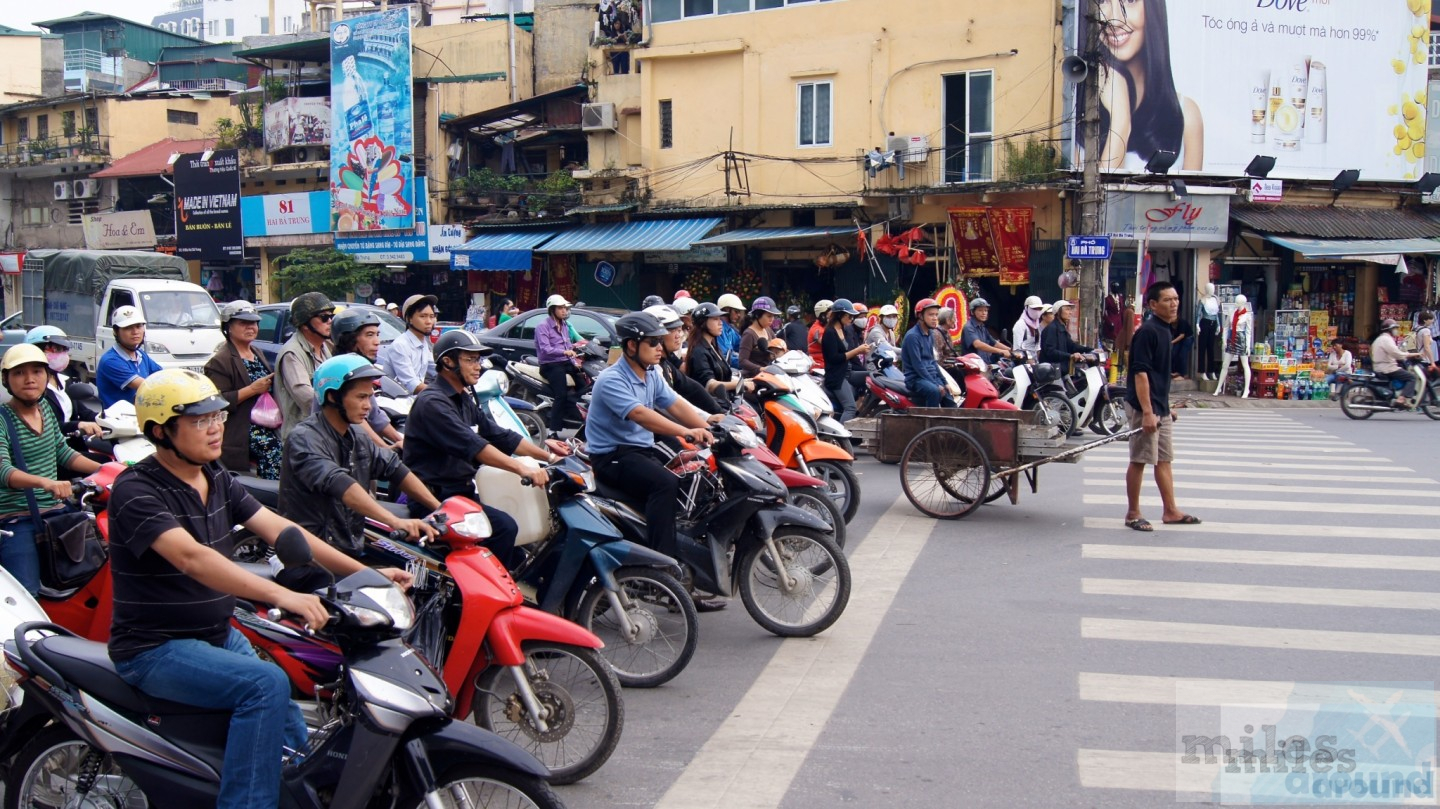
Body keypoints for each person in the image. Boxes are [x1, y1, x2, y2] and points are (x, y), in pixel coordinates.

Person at [108, 369, 410, 809]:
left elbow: (280, 528)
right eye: (199, 421)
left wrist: (367, 574)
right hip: (154, 648)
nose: (215, 428)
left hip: (215, 635)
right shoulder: (136, 490)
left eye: (217, 416)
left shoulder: (215, 476)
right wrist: (283, 596)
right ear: (160, 431)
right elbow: (194, 558)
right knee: (264, 685)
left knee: (288, 714)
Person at [587, 312, 725, 606]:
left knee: (696, 475)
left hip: (640, 452)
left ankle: (684, 576)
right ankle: (661, 574)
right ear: (631, 346)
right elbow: (641, 415)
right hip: (612, 457)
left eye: (660, 341)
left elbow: (675, 403)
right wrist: (687, 431)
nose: (660, 347)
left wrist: (711, 426)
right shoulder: (612, 379)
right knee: (664, 484)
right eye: (652, 342)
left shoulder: (651, 374)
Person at [403, 330, 568, 569]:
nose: (478, 366)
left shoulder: (462, 399)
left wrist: (550, 456)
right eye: (470, 359)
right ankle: (476, 597)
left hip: (462, 493)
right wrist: (522, 469)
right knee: (504, 528)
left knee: (519, 552)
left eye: (478, 360)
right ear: (448, 362)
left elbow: (499, 435)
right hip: (434, 499)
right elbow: (476, 446)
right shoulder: (433, 403)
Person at [280, 356, 439, 555]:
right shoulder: (305, 439)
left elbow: (393, 467)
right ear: (332, 396)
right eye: (361, 397)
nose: (368, 406)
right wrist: (395, 522)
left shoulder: (356, 435)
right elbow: (339, 483)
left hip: (348, 546)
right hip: (313, 554)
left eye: (370, 397)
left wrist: (439, 507)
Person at [0, 345, 103, 594]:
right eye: (19, 373)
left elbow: (63, 452)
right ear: (6, 380)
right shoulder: (3, 418)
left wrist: (108, 469)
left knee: (94, 572)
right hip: (16, 518)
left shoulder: (44, 408)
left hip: (55, 510)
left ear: (47, 376)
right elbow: (4, 471)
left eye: (37, 371)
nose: (30, 379)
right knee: (25, 593)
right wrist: (45, 483)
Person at [1090, 0, 1204, 171]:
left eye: (1129, 1)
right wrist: (1121, 121)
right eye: (1102, 1)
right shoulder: (1080, 111)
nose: (1114, 20)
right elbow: (1099, 195)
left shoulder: (1186, 114)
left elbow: (1194, 197)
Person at [1123, 281, 1199, 532]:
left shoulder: (1166, 330)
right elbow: (1141, 373)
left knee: (1164, 459)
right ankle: (1133, 513)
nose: (1174, 304)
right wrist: (1147, 412)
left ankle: (1170, 510)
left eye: (1176, 299)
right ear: (1154, 305)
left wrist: (1165, 406)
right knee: (1140, 459)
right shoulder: (1148, 331)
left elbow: (1159, 376)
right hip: (1143, 406)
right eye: (1167, 300)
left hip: (1159, 406)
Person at [204, 301, 281, 479]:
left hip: (269, 421)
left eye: (253, 323)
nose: (250, 327)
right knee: (272, 449)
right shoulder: (220, 361)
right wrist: (252, 389)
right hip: (242, 427)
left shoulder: (256, 352)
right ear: (228, 327)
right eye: (243, 323)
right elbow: (217, 400)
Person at [331, 308, 406, 450]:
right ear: (350, 340)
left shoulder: (360, 368)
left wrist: (402, 442)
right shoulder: (341, 372)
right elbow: (355, 420)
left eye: (377, 335)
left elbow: (376, 416)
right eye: (369, 335)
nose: (377, 342)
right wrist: (386, 449)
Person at [275, 292, 334, 440]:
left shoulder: (325, 346)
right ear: (305, 324)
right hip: (303, 439)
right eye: (324, 317)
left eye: (331, 316)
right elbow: (308, 399)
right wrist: (341, 407)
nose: (330, 321)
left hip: (325, 432)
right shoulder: (292, 353)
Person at [25, 326, 101, 440]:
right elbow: (45, 426)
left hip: (72, 446)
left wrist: (106, 418)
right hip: (53, 449)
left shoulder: (63, 380)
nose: (63, 354)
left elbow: (83, 412)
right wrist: (78, 425)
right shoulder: (32, 388)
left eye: (64, 349)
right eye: (56, 349)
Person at [648, 304, 723, 414]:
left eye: (679, 330)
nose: (679, 335)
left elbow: (691, 388)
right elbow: (670, 404)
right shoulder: (650, 370)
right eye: (672, 330)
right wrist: (706, 419)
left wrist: (717, 411)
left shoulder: (665, 364)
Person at [96, 305, 164, 409]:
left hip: (140, 417)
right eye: (128, 328)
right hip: (119, 421)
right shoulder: (111, 361)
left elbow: (162, 375)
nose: (135, 332)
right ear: (116, 331)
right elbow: (146, 385)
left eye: (138, 326)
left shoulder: (141, 355)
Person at [535, 294, 582, 440]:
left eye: (565, 308)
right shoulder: (542, 327)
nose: (564, 311)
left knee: (584, 385)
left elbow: (568, 344)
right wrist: (564, 351)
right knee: (560, 395)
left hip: (566, 362)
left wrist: (578, 346)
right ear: (552, 309)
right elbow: (545, 349)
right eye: (561, 308)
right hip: (550, 365)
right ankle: (553, 430)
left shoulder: (565, 325)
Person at [685, 302, 745, 406]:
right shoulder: (698, 352)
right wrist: (741, 384)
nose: (720, 322)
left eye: (720, 318)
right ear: (702, 322)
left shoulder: (713, 346)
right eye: (715, 319)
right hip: (709, 407)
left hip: (724, 401)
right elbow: (709, 385)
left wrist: (750, 380)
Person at [378, 294, 437, 396]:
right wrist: (442, 393)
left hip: (416, 399)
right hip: (398, 403)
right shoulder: (400, 345)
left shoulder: (423, 343)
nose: (429, 321)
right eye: (423, 316)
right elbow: (411, 384)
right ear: (409, 318)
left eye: (431, 317)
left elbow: (436, 368)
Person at [821, 299, 870, 422]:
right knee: (850, 408)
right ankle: (842, 439)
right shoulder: (829, 333)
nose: (851, 319)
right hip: (837, 376)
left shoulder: (844, 329)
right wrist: (857, 351)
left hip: (847, 372)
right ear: (839, 315)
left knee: (873, 377)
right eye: (849, 316)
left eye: (852, 316)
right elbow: (834, 358)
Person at [902, 299, 949, 408]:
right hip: (916, 379)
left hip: (929, 376)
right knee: (934, 392)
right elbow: (918, 366)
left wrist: (944, 381)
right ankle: (929, 423)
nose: (934, 318)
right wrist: (936, 384)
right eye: (931, 315)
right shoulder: (913, 336)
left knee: (949, 395)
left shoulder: (930, 334)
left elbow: (932, 361)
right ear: (920, 316)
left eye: (936, 315)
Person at [1371, 319, 1421, 408]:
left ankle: (1396, 396)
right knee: (1411, 378)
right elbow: (1397, 354)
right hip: (1387, 368)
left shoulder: (1381, 339)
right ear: (1389, 330)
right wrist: (1412, 354)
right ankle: (1401, 399)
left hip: (1381, 366)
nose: (1396, 331)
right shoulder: (1386, 340)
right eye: (1394, 329)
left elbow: (1394, 352)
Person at [1040, 300, 1095, 372]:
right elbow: (1050, 351)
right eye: (1067, 309)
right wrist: (1070, 356)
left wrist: (1091, 350)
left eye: (1070, 310)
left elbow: (1072, 346)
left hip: (1062, 369)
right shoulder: (1052, 328)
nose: (1070, 312)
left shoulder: (1062, 328)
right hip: (1051, 371)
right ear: (1058, 312)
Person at [961, 298, 1013, 364]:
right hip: (973, 366)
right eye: (980, 310)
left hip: (984, 364)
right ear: (972, 312)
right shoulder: (969, 327)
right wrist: (1001, 351)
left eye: (986, 310)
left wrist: (1011, 350)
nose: (984, 313)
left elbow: (994, 343)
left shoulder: (982, 327)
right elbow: (978, 344)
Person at [738, 296, 781, 375]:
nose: (772, 319)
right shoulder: (749, 334)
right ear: (757, 315)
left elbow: (778, 346)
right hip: (754, 377)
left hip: (770, 373)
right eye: (769, 316)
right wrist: (760, 369)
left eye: (773, 316)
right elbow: (742, 361)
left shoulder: (768, 330)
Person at [716, 292, 745, 370]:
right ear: (727, 310)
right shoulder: (718, 330)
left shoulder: (731, 330)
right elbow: (724, 357)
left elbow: (742, 346)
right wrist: (746, 362)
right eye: (736, 311)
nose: (739, 315)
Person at [808, 300, 833, 368]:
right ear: (822, 315)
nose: (833, 317)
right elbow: (830, 345)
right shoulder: (817, 329)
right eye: (831, 314)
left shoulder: (825, 328)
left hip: (826, 364)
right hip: (819, 367)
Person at [1169, 309, 1194, 378]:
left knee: (1182, 354)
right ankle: (1174, 371)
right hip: (1178, 339)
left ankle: (1183, 374)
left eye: (1173, 316)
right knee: (1173, 353)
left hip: (1187, 338)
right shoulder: (1170, 324)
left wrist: (1172, 342)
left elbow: (1182, 335)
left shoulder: (1181, 322)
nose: (1171, 318)